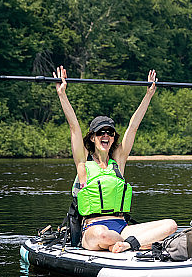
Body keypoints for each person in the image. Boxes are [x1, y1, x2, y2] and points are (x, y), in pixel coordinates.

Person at [54, 65, 177, 253]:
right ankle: (137, 243)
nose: (106, 135)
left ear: (113, 138)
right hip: (94, 230)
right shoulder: (83, 164)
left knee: (170, 225)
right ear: (92, 138)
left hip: (123, 227)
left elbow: (133, 127)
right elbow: (74, 127)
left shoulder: (118, 163)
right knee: (103, 234)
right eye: (101, 132)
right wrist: (62, 94)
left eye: (109, 132)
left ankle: (127, 244)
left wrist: (149, 94)